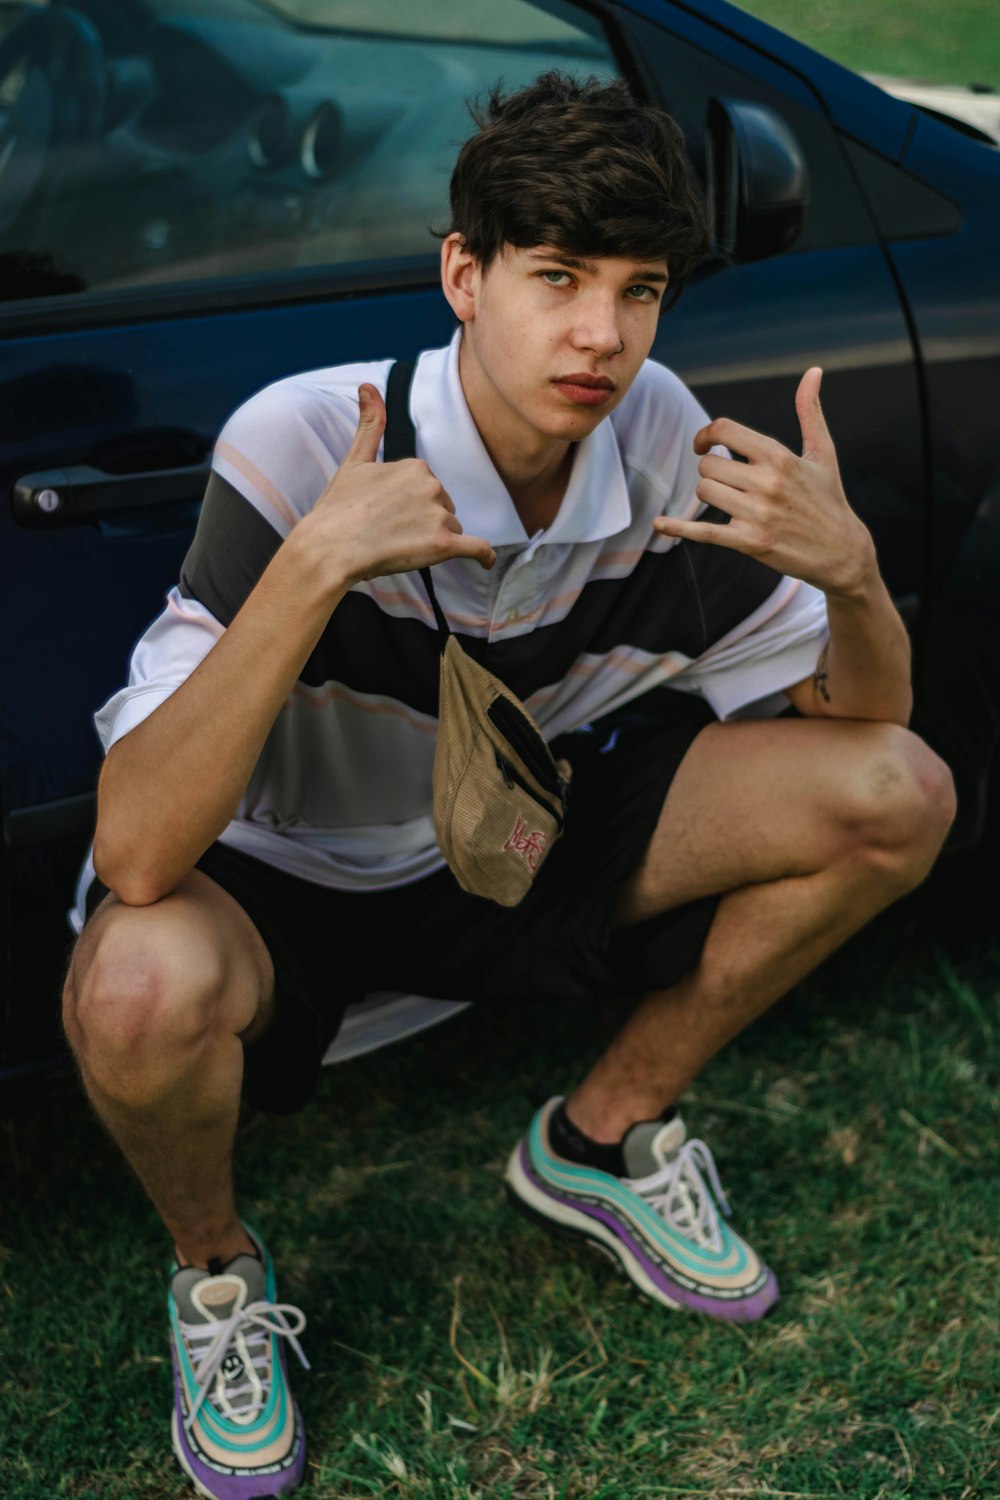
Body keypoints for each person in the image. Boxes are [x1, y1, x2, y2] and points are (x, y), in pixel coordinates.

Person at [62, 72, 955, 1500]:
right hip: (279, 878)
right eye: (556, 277)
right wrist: (310, 574)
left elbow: (866, 731)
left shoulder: (656, 424)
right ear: (463, 278)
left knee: (901, 792)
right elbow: (142, 846)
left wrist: (852, 578)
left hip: (514, 842)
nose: (600, 334)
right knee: (132, 987)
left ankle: (600, 1135)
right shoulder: (304, 437)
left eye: (639, 287)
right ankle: (219, 1276)